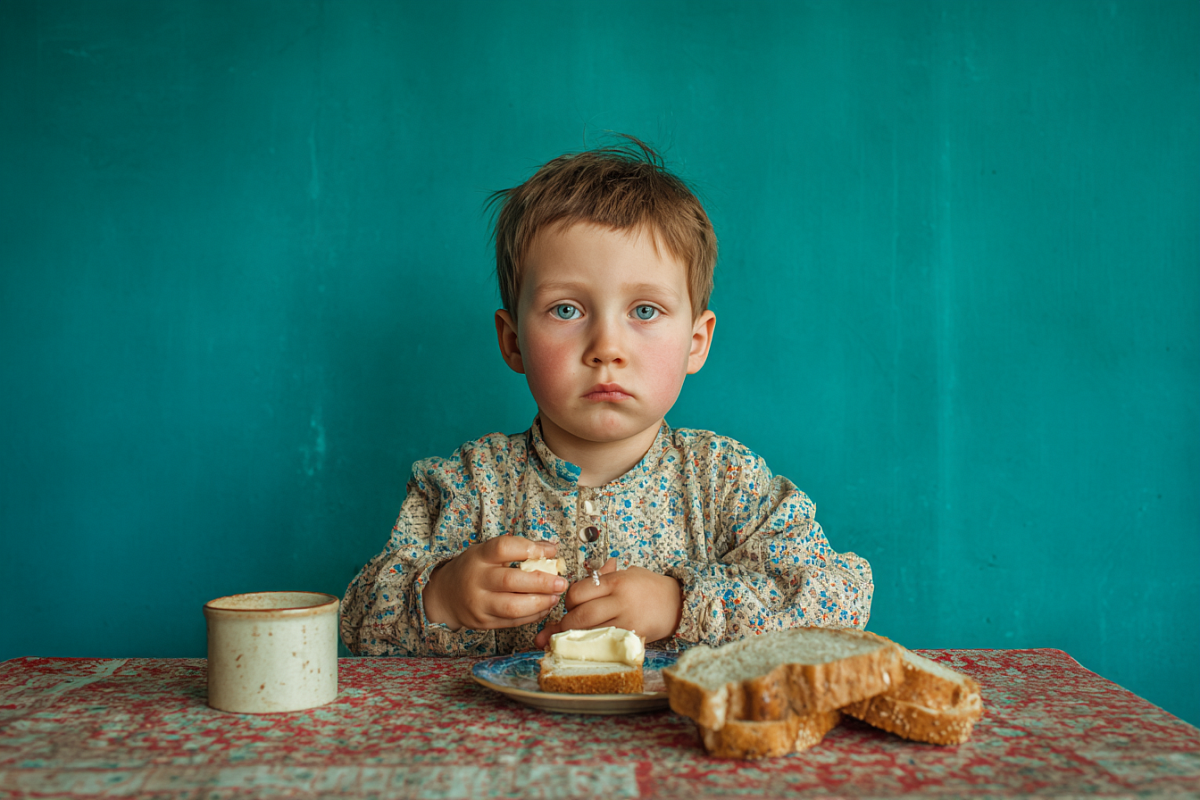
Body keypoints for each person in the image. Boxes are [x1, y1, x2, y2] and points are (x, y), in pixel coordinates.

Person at [341, 137, 873, 656]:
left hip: (673, 744)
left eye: (644, 311)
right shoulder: (465, 488)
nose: (606, 348)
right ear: (513, 342)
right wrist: (443, 596)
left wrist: (679, 603)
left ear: (696, 343)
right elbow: (358, 620)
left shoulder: (725, 483)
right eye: (566, 310)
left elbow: (840, 598)